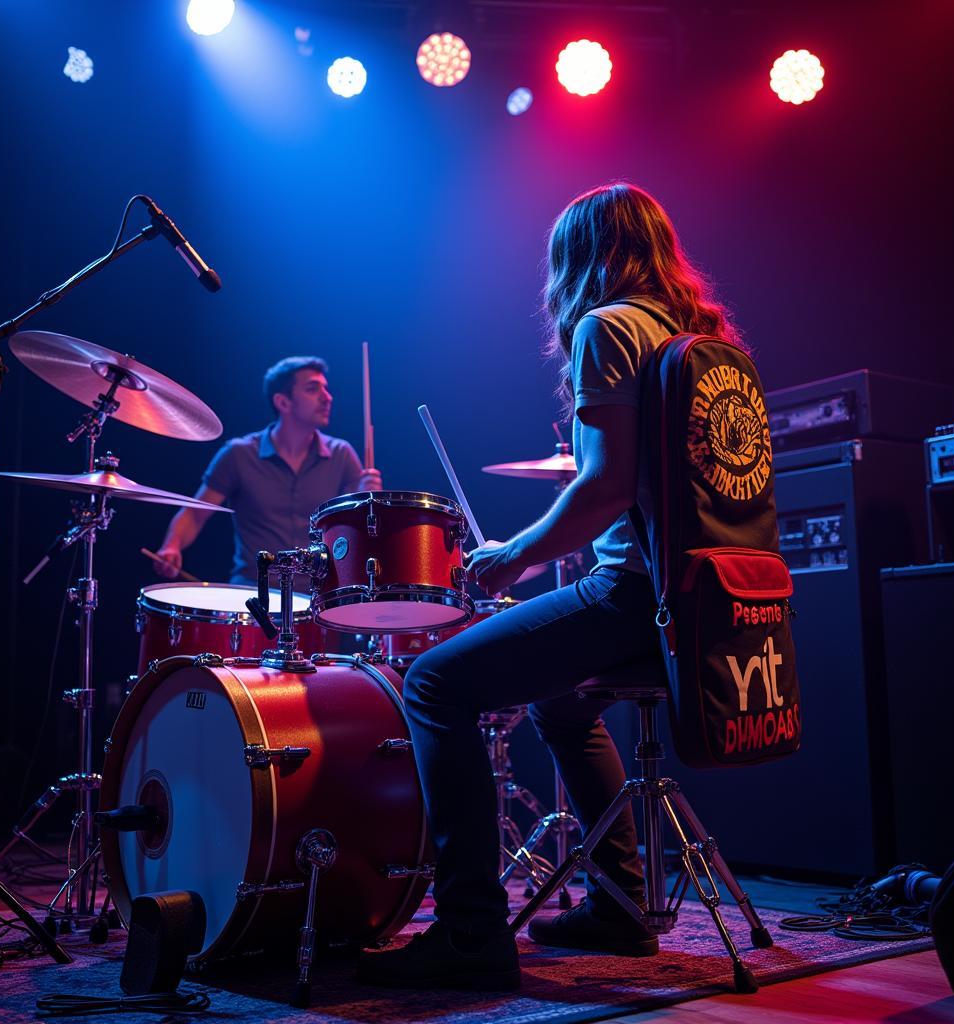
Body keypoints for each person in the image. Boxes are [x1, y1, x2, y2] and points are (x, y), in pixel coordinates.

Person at [357, 183, 742, 990]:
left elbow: (603, 487)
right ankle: (624, 905)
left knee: (432, 683)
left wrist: (518, 554)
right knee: (561, 702)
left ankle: (469, 932)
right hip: (701, 600)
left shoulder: (609, 328)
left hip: (635, 593)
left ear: (581, 258)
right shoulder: (700, 336)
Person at [153, 356, 381, 585]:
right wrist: (171, 545)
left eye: (326, 389)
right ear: (283, 402)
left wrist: (368, 501)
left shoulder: (341, 454)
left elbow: (359, 533)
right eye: (313, 389)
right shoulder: (239, 454)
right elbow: (194, 514)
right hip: (254, 593)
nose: (327, 397)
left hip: (318, 595)